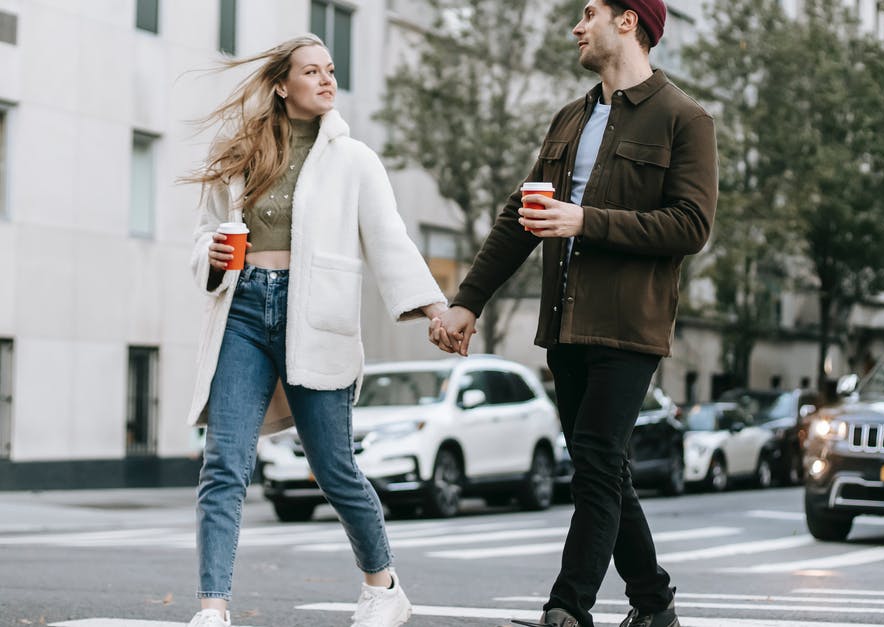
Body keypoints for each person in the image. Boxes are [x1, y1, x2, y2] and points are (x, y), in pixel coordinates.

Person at [430, 1, 718, 626]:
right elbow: (520, 216)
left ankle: (567, 610)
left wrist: (587, 219)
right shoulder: (571, 118)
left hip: (628, 328)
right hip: (562, 326)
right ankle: (653, 603)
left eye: (589, 12)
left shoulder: (684, 119)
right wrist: (466, 302)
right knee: (604, 468)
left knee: (593, 462)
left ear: (629, 22)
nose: (576, 26)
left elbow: (691, 225)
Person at [181, 35, 448, 627]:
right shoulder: (238, 152)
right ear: (282, 85)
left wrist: (433, 309)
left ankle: (383, 588)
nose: (328, 80)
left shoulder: (354, 160)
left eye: (330, 70)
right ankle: (213, 607)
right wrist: (216, 256)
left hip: (315, 318)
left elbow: (389, 240)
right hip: (242, 312)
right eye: (312, 72)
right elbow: (202, 236)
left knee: (334, 469)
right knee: (224, 463)